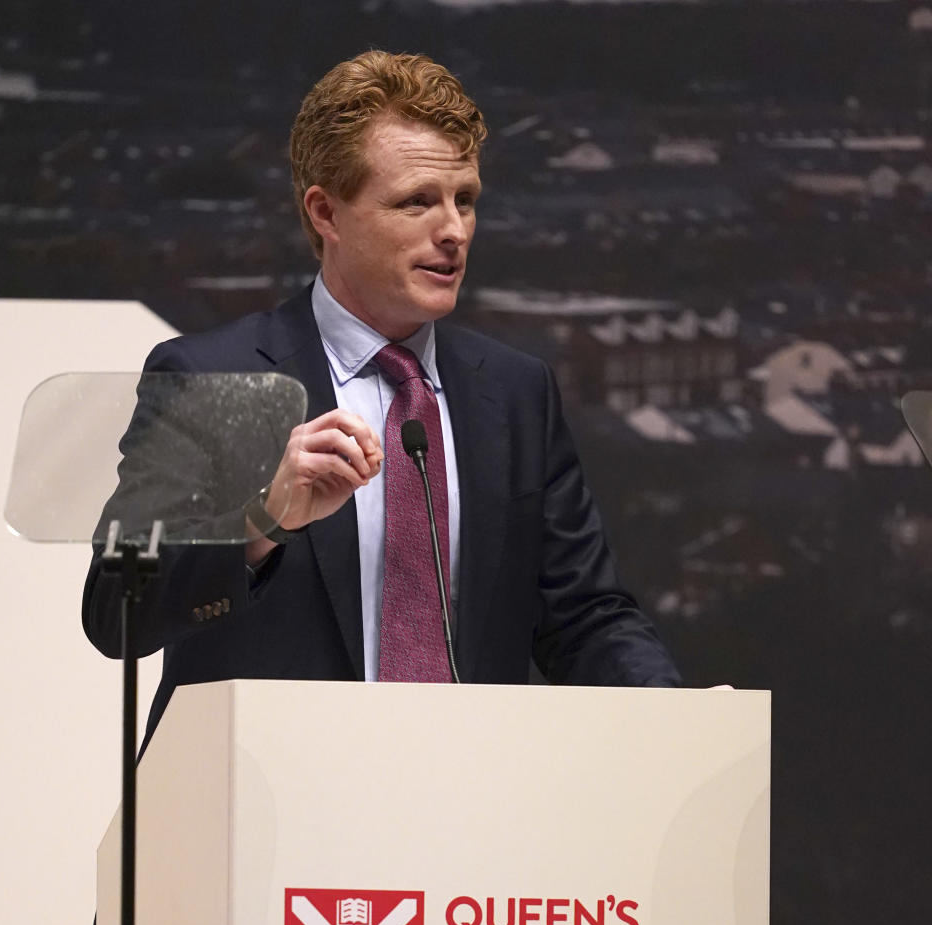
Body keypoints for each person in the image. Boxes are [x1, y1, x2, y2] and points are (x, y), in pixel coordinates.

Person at [82, 48, 680, 744]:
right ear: (326, 213)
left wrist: (676, 715)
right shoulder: (217, 379)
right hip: (264, 816)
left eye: (465, 200)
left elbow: (582, 615)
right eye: (417, 201)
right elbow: (114, 615)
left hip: (470, 808)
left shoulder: (515, 392)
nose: (453, 229)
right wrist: (259, 520)